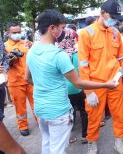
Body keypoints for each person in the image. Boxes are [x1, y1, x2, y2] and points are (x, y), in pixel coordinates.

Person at [25, 9, 118, 154]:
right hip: (58, 111)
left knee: (47, 144)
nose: (63, 32)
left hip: (40, 108)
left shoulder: (31, 51)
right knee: (58, 149)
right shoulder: (58, 55)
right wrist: (106, 84)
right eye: (62, 28)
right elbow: (78, 83)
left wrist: (44, 87)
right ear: (52, 28)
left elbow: (27, 78)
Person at [78, 0, 123, 154]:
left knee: (119, 114)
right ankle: (91, 144)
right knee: (94, 117)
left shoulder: (115, 33)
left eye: (116, 17)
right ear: (101, 13)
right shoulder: (87, 33)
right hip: (96, 84)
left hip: (115, 82)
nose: (114, 21)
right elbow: (83, 65)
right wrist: (88, 91)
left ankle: (119, 143)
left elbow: (121, 57)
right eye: (111, 17)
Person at [57, 28, 88, 144]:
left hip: (64, 90)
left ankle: (68, 136)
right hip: (77, 88)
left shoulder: (58, 53)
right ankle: (85, 135)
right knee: (84, 111)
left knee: (69, 111)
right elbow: (82, 71)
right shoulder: (77, 54)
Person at [5, 22, 35, 136]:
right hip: (15, 82)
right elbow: (4, 64)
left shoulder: (26, 44)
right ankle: (23, 126)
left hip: (30, 80)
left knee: (36, 103)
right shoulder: (4, 47)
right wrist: (11, 60)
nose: (17, 34)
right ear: (8, 33)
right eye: (14, 32)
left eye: (19, 32)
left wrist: (33, 46)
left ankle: (41, 121)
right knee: (20, 107)